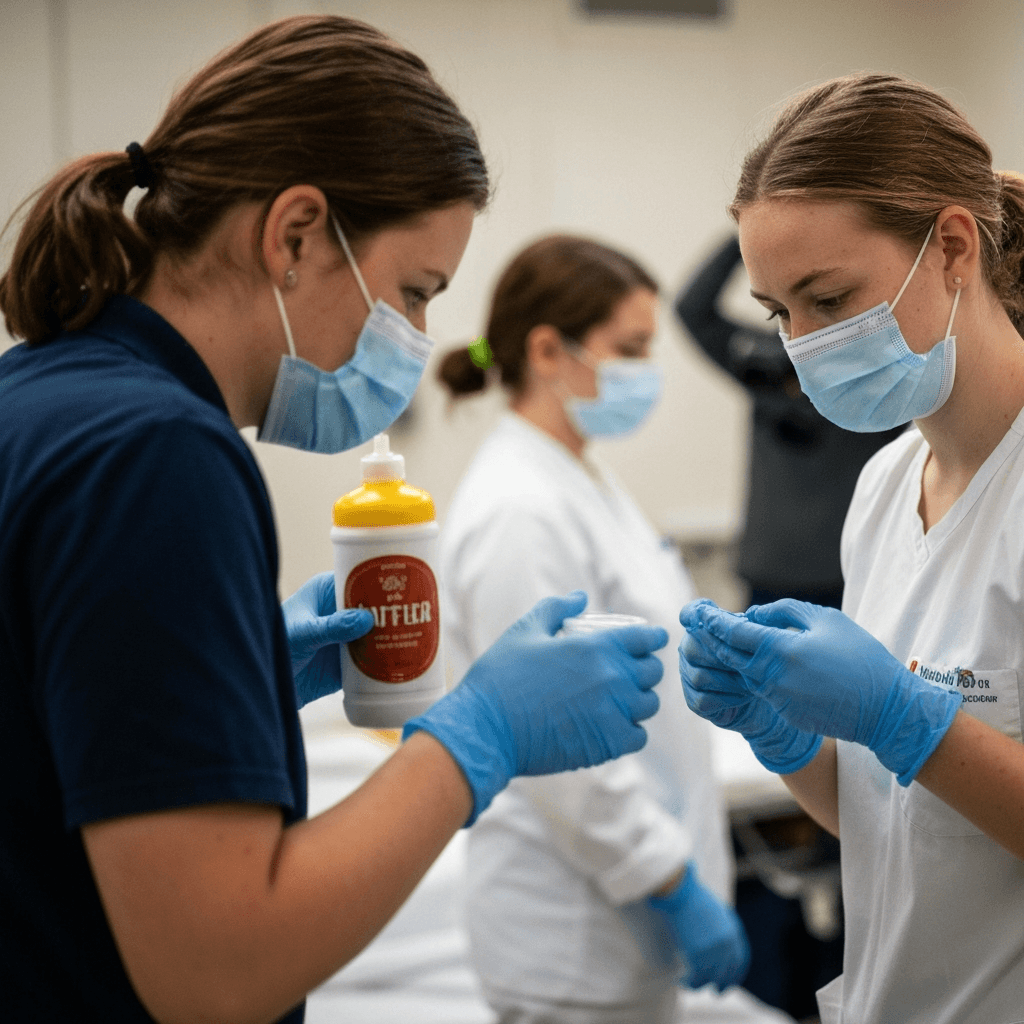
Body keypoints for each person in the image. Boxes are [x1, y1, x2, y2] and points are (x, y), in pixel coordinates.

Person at [0, 18, 670, 1024]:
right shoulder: (158, 455)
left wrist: (245, 672)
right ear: (296, 233)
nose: (418, 338)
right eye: (412, 291)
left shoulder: (39, 398)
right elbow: (216, 974)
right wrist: (477, 735)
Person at [678, 72, 1024, 1024]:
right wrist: (789, 738)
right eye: (781, 311)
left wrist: (908, 717)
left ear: (953, 247)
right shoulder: (881, 490)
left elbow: (921, 745)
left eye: (829, 298)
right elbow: (888, 819)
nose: (805, 345)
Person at [437, 235, 793, 1024]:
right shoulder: (519, 511)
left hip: (618, 931)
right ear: (547, 351)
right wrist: (673, 885)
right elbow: (556, 746)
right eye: (629, 349)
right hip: (570, 938)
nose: (646, 372)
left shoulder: (577, 477)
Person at [675, 235, 905, 608]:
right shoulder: (765, 362)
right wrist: (749, 237)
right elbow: (692, 309)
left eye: (829, 299)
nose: (801, 325)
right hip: (768, 574)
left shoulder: (882, 373)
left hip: (853, 576)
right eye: (779, 310)